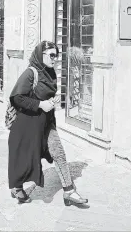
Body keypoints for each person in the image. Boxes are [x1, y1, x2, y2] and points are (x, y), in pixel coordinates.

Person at [8, 41, 88, 206]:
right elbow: (17, 97)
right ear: (40, 54)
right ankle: (17, 187)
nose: (55, 59)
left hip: (46, 124)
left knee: (59, 153)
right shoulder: (30, 73)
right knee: (24, 158)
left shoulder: (51, 73)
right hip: (27, 124)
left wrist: (52, 100)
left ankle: (69, 191)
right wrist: (39, 104)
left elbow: (45, 94)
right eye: (51, 55)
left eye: (56, 55)